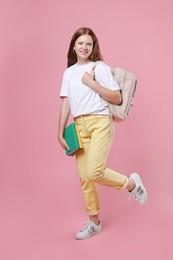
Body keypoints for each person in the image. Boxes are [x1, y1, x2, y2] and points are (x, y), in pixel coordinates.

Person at [58, 27, 147, 240]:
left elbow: (116, 98)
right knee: (85, 178)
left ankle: (132, 184)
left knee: (94, 171)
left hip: (100, 122)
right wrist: (59, 132)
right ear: (73, 46)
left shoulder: (100, 67)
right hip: (79, 127)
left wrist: (92, 83)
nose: (84, 47)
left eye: (89, 43)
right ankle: (94, 223)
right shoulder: (68, 73)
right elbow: (65, 104)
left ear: (93, 47)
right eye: (80, 43)